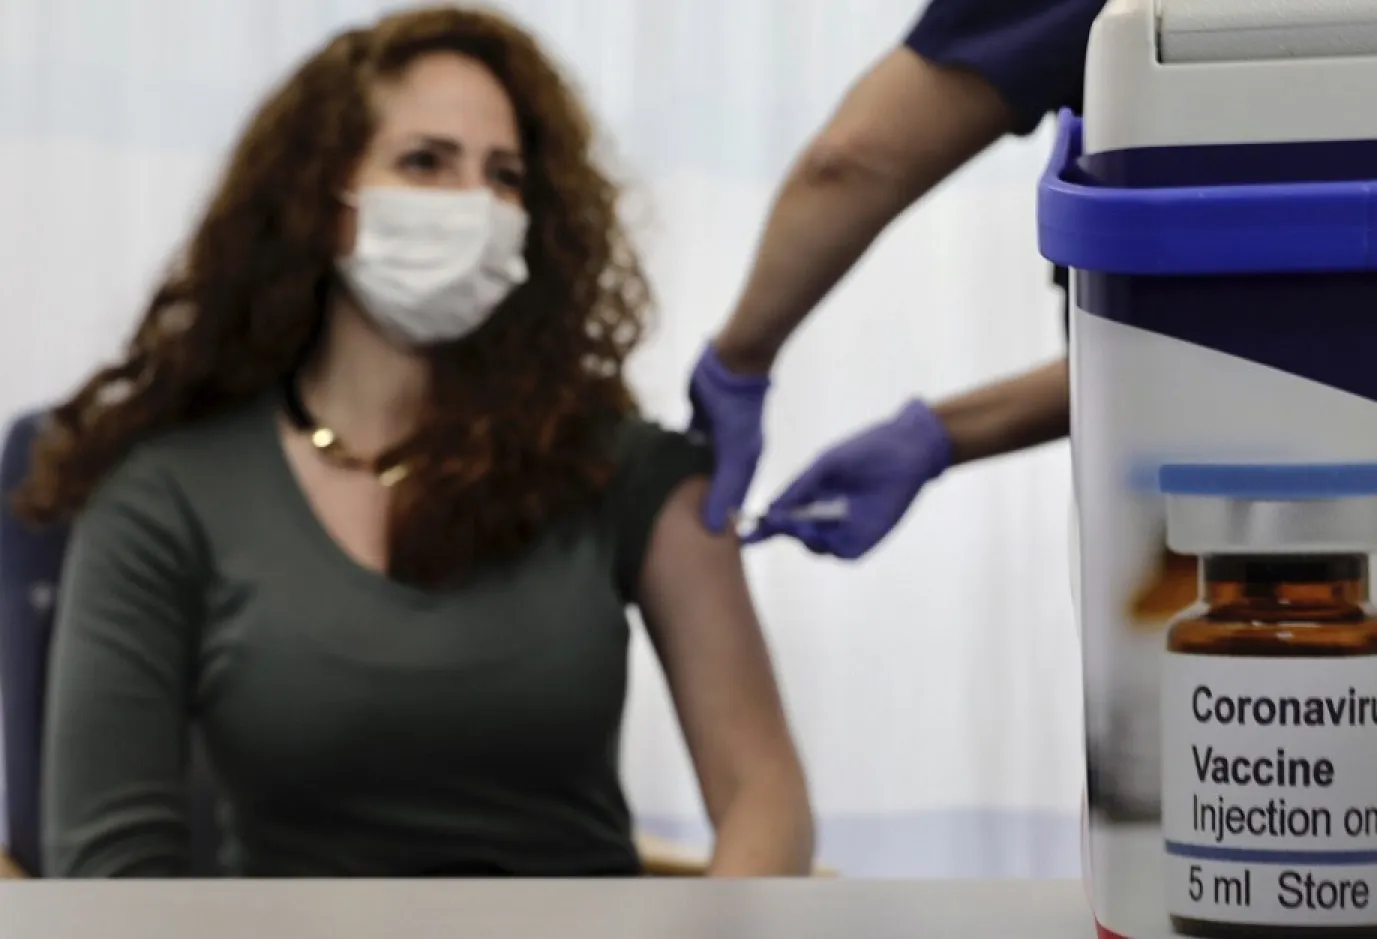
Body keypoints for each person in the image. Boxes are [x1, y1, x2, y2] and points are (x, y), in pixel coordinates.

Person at [20, 5, 813, 878]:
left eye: (504, 176)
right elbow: (111, 864)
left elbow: (762, 798)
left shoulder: (626, 474)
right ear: (324, 202)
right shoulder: (166, 494)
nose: (474, 204)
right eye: (425, 163)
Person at [688, 0, 1106, 559]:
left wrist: (738, 364)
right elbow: (1206, 356)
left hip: (1174, 524)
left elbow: (852, 160)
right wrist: (938, 435)